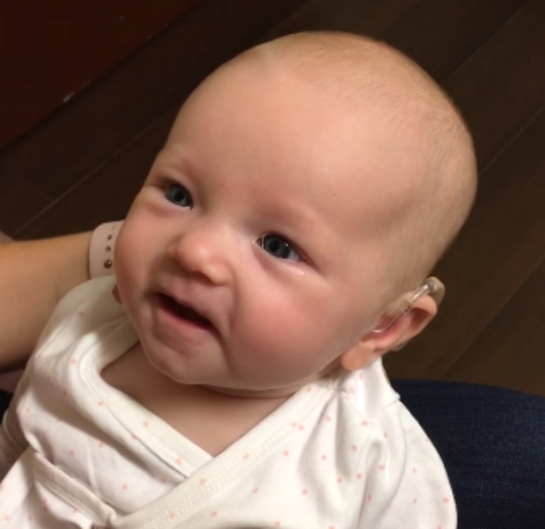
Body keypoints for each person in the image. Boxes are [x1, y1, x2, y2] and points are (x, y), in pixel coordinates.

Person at [0, 31, 476, 528]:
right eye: (180, 195)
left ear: (384, 325)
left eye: (278, 246)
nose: (194, 251)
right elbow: (16, 441)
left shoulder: (368, 463)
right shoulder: (86, 321)